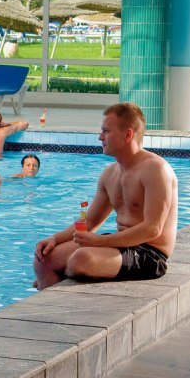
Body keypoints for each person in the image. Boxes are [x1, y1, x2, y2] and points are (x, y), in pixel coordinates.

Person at [33, 103, 178, 290]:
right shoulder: (110, 174)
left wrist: (100, 241)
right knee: (44, 260)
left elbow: (152, 229)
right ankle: (52, 304)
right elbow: (90, 222)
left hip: (149, 253)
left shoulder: (156, 169)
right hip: (117, 244)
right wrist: (55, 239)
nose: (100, 137)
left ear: (128, 134)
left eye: (106, 131)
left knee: (81, 259)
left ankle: (55, 283)